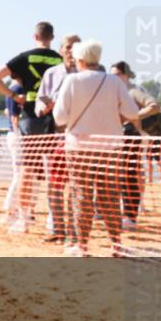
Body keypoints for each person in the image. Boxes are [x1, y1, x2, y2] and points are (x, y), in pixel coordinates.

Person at [53, 40, 139, 257]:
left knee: (81, 194)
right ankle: (116, 244)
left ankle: (81, 245)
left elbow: (59, 117)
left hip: (79, 147)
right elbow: (133, 112)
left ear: (80, 60)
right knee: (110, 196)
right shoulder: (114, 81)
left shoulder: (71, 80)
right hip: (110, 148)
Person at [0, 22, 63, 234]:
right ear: (52, 36)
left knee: (27, 170)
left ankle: (24, 220)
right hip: (54, 117)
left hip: (30, 115)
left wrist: (14, 96)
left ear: (35, 36)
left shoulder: (24, 57)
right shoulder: (59, 60)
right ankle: (53, 219)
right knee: (52, 169)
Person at [33, 33, 81, 245]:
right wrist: (46, 106)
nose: (71, 51)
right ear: (60, 50)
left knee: (77, 186)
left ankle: (73, 230)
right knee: (55, 185)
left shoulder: (91, 74)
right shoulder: (51, 74)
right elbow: (37, 108)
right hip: (56, 137)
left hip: (81, 137)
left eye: (76, 47)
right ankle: (58, 228)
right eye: (68, 47)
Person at [110, 61, 161, 228]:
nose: (113, 78)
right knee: (115, 174)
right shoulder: (114, 91)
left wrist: (133, 116)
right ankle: (112, 211)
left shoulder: (133, 90)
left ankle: (130, 216)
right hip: (115, 136)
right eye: (111, 74)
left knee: (129, 175)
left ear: (125, 75)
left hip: (131, 135)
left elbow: (154, 106)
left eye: (116, 74)